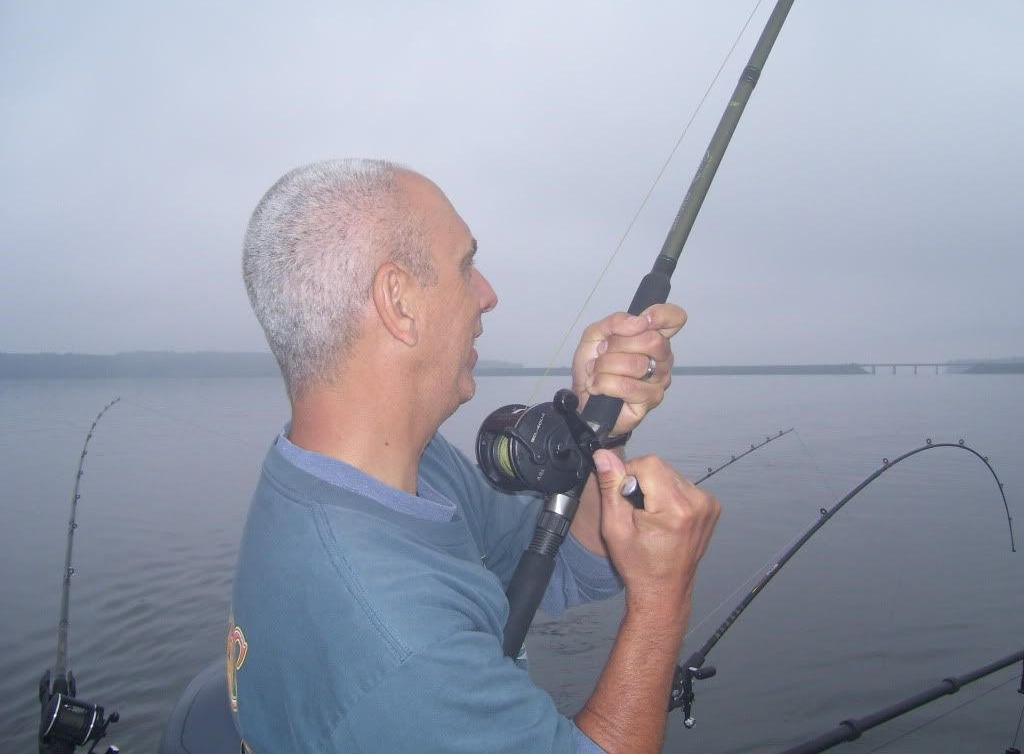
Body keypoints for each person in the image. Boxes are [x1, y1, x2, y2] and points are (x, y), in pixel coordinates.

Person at [230, 158, 720, 754]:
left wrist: (601, 429)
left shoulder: (377, 465)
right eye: (466, 267)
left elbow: (562, 566)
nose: (488, 295)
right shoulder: (399, 641)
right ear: (399, 302)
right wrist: (664, 604)